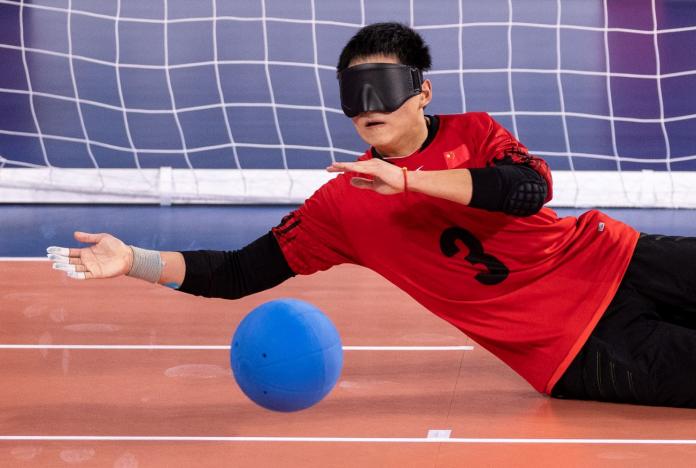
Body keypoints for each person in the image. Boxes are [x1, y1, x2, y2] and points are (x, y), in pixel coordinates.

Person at [47, 23, 696, 408]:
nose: (368, 106)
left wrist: (411, 182)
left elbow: (527, 190)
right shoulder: (342, 207)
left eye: (381, 87)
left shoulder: (474, 131)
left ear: (422, 92)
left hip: (621, 259)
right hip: (575, 348)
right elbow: (240, 270)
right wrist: (135, 261)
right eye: (355, 96)